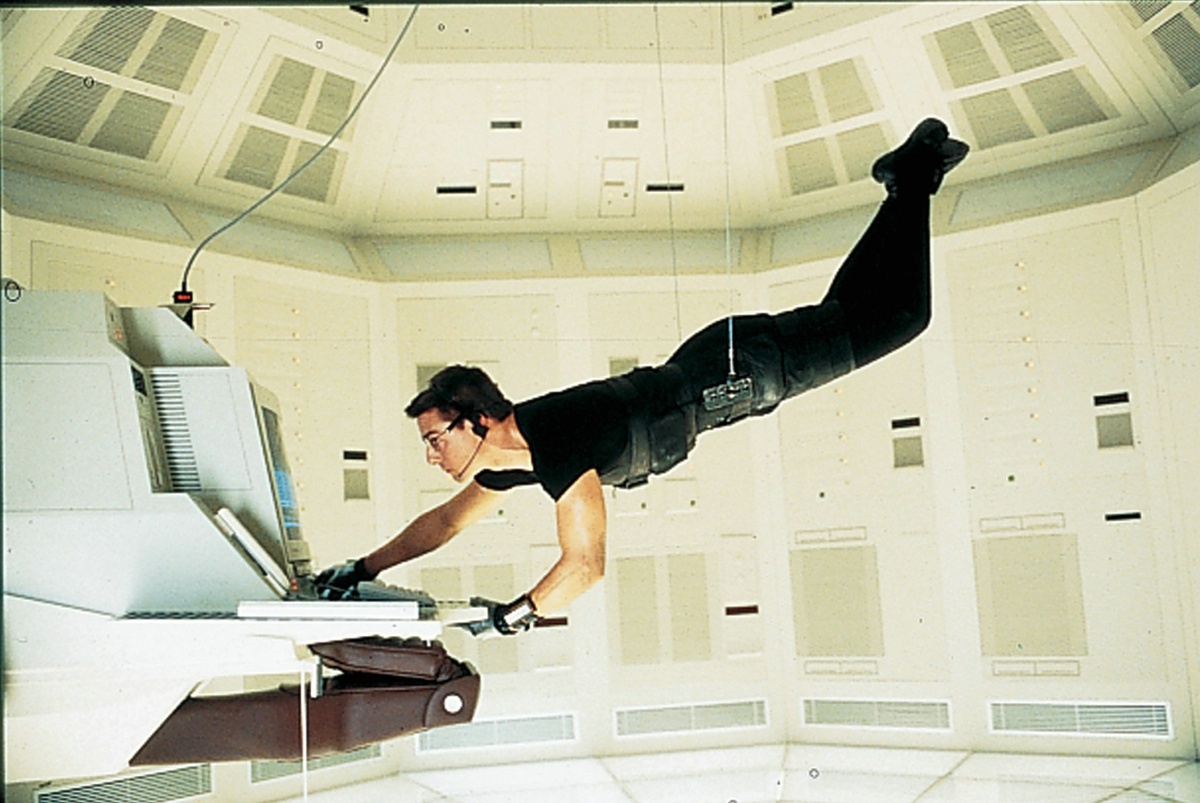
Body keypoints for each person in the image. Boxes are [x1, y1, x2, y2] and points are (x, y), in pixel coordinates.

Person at [316, 118, 969, 635]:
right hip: (728, 370)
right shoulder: (510, 462)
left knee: (903, 316)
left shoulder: (552, 438)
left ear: (477, 419)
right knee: (851, 314)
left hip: (742, 371)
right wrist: (362, 567)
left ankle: (913, 176)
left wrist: (515, 614)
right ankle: (907, 179)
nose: (432, 455)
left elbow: (586, 566)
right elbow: (443, 524)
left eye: (435, 438)